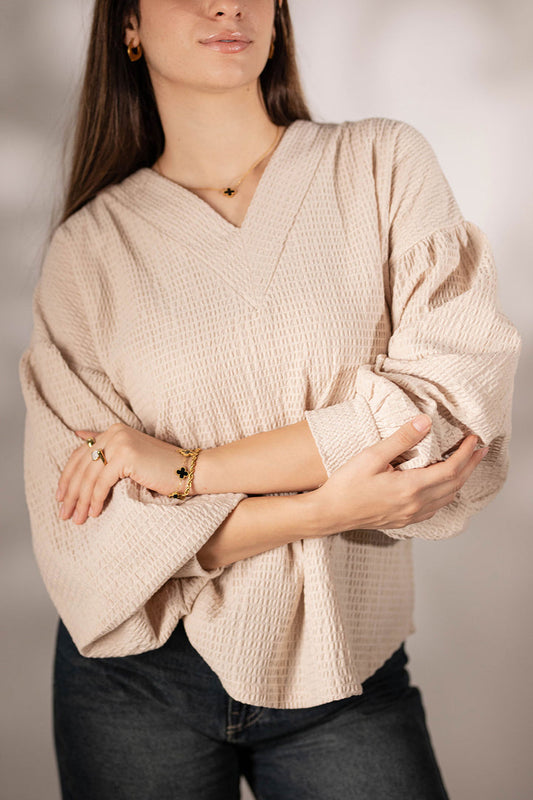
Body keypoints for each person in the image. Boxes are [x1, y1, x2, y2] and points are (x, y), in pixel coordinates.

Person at [18, 1, 521, 798]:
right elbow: (95, 548)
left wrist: (186, 471)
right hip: (136, 681)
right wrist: (327, 505)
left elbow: (440, 412)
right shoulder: (89, 253)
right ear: (129, 27)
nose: (226, 3)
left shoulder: (380, 165)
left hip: (346, 672)